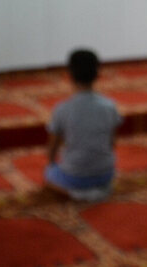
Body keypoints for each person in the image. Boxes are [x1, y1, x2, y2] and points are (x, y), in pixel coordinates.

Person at [45, 48, 122, 201]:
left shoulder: (62, 109)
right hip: (105, 174)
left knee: (49, 174)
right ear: (97, 74)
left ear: (70, 75)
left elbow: (52, 148)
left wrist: (53, 163)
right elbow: (112, 143)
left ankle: (77, 194)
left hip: (75, 176)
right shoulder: (110, 106)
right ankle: (100, 190)